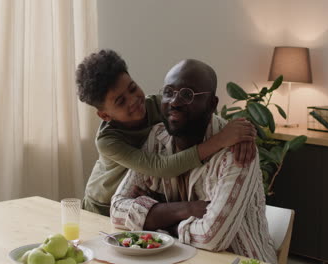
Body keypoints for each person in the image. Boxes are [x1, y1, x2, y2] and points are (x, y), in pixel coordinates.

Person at [110, 59, 277, 264]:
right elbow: (117, 209)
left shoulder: (236, 150)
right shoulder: (157, 137)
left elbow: (211, 237)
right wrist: (186, 209)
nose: (175, 102)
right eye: (169, 92)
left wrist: (158, 218)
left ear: (212, 104)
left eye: (188, 94)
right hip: (176, 258)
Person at [76, 50, 256, 216]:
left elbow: (200, 113)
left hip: (137, 201)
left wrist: (241, 135)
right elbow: (161, 167)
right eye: (121, 101)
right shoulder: (107, 141)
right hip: (102, 206)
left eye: (132, 88)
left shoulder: (159, 105)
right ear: (105, 115)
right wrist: (220, 140)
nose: (133, 101)